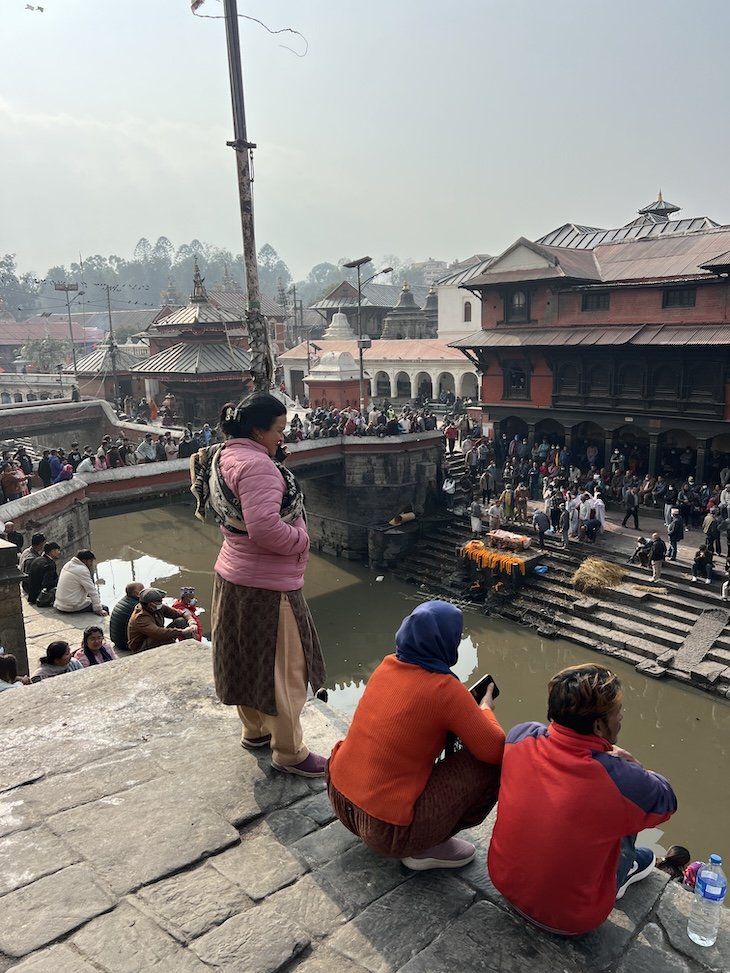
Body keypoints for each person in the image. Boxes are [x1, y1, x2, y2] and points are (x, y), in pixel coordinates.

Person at [487, 663, 677, 936]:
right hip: (572, 919)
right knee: (629, 807)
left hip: (504, 883)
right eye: (617, 712)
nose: (621, 717)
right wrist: (634, 765)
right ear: (599, 725)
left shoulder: (520, 736)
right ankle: (621, 876)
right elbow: (667, 801)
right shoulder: (621, 778)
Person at [327, 601, 504, 869]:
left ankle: (416, 829)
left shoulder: (386, 665)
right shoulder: (445, 689)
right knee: (491, 765)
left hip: (339, 797)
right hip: (387, 831)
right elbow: (495, 748)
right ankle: (424, 845)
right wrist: (486, 710)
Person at [203, 394, 327, 778]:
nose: (282, 437)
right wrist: (303, 541)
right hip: (268, 586)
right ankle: (289, 751)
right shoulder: (257, 467)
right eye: (278, 430)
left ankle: (255, 730)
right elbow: (265, 528)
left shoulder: (223, 455)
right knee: (283, 671)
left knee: (246, 659)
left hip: (234, 574)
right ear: (258, 430)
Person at [127, 587, 196, 653]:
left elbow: (180, 613)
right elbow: (158, 633)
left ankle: (192, 647)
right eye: (160, 601)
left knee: (180, 621)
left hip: (155, 636)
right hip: (142, 645)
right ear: (151, 604)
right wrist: (182, 632)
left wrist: (191, 621)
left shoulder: (159, 607)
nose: (161, 602)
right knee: (166, 638)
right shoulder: (141, 617)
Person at [53, 550, 108, 616]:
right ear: (85, 561)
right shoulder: (82, 570)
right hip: (70, 606)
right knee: (105, 608)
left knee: (89, 600)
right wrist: (98, 609)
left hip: (59, 603)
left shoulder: (68, 564)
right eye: (90, 561)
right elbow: (92, 591)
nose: (91, 564)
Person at [109, 582, 144, 652]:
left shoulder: (124, 600)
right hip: (126, 643)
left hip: (116, 640)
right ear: (137, 593)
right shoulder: (137, 606)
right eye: (143, 590)